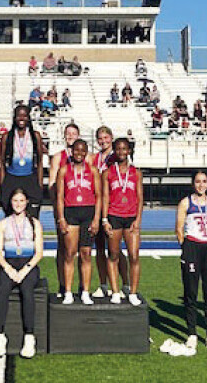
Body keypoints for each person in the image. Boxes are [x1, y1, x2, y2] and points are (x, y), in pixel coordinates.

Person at [0, 188, 44, 359]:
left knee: (27, 291)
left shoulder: (35, 223)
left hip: (28, 264)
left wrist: (25, 269)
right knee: (3, 289)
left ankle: (29, 336)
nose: (18, 204)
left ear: (27, 202)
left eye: (21, 200)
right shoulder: (3, 224)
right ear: (10, 203)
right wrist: (8, 269)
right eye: (15, 201)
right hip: (9, 264)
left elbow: (39, 253)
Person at [175, 171, 207, 349]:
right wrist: (186, 247)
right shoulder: (186, 202)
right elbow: (179, 228)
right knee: (191, 293)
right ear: (193, 183)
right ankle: (192, 333)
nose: (201, 185)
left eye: (204, 181)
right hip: (192, 246)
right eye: (197, 182)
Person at [56, 139, 101, 305]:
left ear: (87, 152)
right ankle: (68, 291)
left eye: (82, 151)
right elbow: (60, 196)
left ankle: (85, 291)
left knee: (86, 254)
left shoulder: (93, 171)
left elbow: (99, 196)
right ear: (71, 152)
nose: (79, 154)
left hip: (88, 212)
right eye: (76, 150)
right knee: (69, 253)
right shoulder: (63, 171)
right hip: (71, 212)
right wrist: (61, 217)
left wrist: (97, 219)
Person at [102, 138, 143, 306]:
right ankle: (115, 291)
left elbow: (140, 198)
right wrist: (104, 219)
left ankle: (132, 292)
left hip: (131, 217)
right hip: (114, 216)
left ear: (129, 151)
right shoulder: (108, 172)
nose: (121, 152)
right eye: (118, 149)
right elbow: (105, 197)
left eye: (124, 149)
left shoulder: (136, 173)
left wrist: (138, 220)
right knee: (113, 254)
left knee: (133, 255)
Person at [90, 126, 129, 298]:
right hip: (96, 206)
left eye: (106, 137)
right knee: (99, 248)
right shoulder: (93, 158)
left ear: (111, 138)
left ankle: (125, 283)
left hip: (114, 207)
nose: (103, 140)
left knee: (115, 249)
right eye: (100, 138)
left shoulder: (118, 156)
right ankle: (103, 284)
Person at [48, 123, 83, 296]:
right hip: (64, 209)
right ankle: (63, 285)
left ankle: (82, 287)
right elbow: (51, 185)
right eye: (68, 133)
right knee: (63, 248)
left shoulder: (87, 157)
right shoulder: (57, 157)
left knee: (82, 249)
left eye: (73, 133)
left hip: (82, 209)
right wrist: (58, 209)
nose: (70, 136)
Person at [0, 105, 44, 218]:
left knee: (32, 217)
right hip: (11, 178)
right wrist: (2, 184)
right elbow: (2, 161)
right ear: (14, 117)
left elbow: (39, 161)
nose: (21, 118)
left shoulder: (35, 136)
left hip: (30, 178)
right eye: (19, 115)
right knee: (10, 216)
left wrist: (39, 184)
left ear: (28, 118)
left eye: (24, 115)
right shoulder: (7, 136)